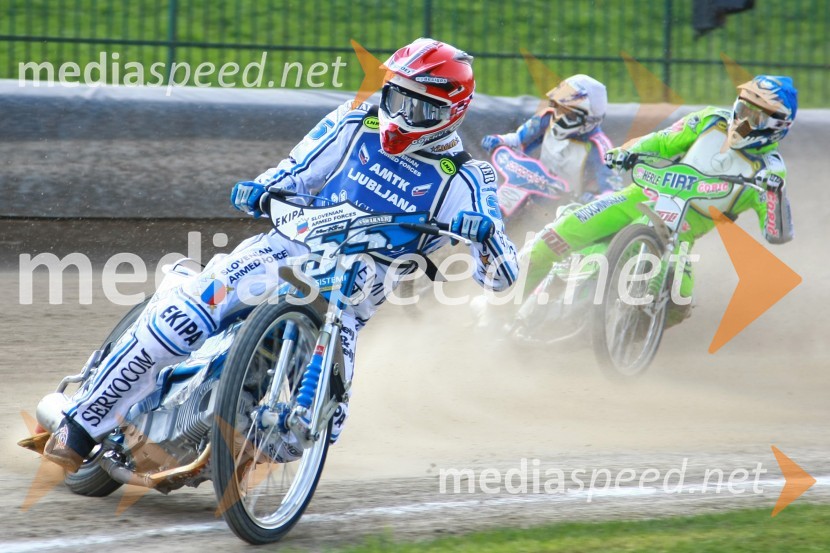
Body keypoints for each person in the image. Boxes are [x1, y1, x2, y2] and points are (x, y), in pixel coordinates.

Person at [43, 38, 519, 473]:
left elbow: (501, 277)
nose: (403, 114)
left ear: (450, 113)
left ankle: (226, 442)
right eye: (398, 98)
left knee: (317, 428)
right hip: (282, 250)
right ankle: (82, 423)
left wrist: (486, 236)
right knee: (183, 316)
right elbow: (292, 174)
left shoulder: (466, 179)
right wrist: (263, 189)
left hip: (346, 302)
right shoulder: (353, 122)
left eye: (420, 107)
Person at [523, 75, 796, 324]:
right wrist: (626, 152)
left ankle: (628, 338)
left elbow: (776, 233)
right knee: (556, 235)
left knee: (680, 301)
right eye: (744, 110)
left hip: (682, 230)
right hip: (639, 196)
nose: (745, 121)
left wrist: (775, 194)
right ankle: (503, 303)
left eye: (756, 118)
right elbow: (663, 141)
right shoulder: (712, 119)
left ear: (777, 126)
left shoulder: (770, 169)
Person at [480, 74, 619, 203]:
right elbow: (517, 139)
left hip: (569, 206)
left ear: (588, 119)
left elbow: (613, 190)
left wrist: (594, 199)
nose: (558, 116)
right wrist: (498, 140)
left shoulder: (601, 147)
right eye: (558, 108)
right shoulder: (546, 118)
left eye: (567, 113)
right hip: (531, 186)